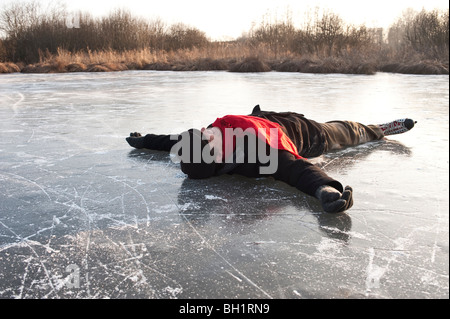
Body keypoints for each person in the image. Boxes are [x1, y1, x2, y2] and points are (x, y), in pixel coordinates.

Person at [126, 105, 416, 214]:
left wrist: (144, 139)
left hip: (273, 117)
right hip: (309, 135)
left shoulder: (201, 141)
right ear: (218, 155)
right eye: (208, 137)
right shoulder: (259, 155)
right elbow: (294, 169)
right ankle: (377, 129)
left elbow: (170, 141)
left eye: (202, 132)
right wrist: (325, 189)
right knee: (346, 131)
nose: (206, 129)